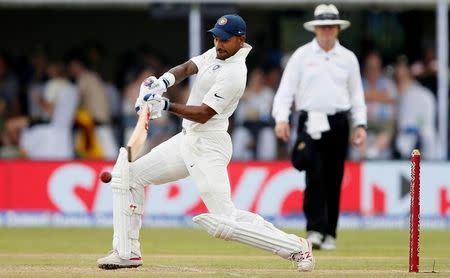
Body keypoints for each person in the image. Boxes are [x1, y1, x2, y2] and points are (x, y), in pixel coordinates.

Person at [97, 14, 314, 272]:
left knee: (225, 222)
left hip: (209, 145)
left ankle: (297, 248)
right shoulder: (216, 54)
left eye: (224, 39)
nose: (218, 43)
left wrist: (165, 104)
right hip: (187, 140)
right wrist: (162, 82)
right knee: (129, 176)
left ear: (240, 40)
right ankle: (127, 252)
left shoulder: (235, 73)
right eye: (215, 37)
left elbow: (203, 113)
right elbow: (188, 68)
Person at [272, 4, 367, 251]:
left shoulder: (348, 58)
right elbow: (285, 91)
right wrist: (281, 118)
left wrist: (360, 124)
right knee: (314, 174)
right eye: (322, 27)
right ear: (316, 29)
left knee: (334, 177)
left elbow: (357, 95)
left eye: (330, 27)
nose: (326, 32)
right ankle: (315, 229)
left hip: (338, 122)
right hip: (310, 119)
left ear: (337, 29)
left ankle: (330, 233)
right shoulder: (302, 56)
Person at [393, 56, 437, 160]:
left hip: (423, 146)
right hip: (401, 147)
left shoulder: (423, 95)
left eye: (403, 75)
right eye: (398, 76)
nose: (400, 78)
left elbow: (426, 127)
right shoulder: (393, 91)